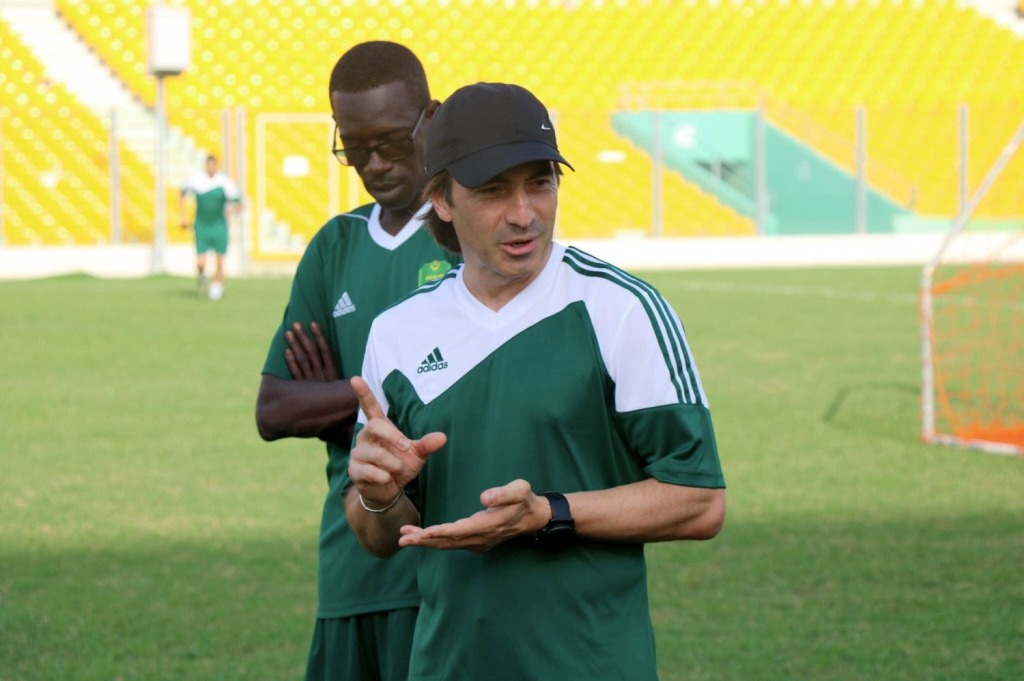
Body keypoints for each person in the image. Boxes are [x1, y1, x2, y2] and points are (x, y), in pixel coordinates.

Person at [345, 82, 727, 680]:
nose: (524, 213)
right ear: (441, 200)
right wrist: (378, 493)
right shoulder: (397, 332)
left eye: (539, 183)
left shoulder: (622, 308)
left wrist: (547, 513)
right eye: (493, 191)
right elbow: (381, 536)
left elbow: (700, 501)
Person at [254, 42, 459, 681]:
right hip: (352, 564)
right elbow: (274, 408)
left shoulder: (474, 236)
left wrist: (344, 397)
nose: (373, 164)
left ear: (432, 118)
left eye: (393, 143)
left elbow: (476, 393)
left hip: (453, 562)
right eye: (354, 146)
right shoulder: (334, 247)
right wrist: (383, 397)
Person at [179, 154, 240, 300]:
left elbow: (238, 201)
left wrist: (232, 212)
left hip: (219, 225)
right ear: (206, 165)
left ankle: (217, 286)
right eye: (209, 165)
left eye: (213, 165)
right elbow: (181, 194)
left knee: (219, 260)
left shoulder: (224, 182)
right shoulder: (196, 180)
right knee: (201, 262)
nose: (211, 168)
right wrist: (182, 216)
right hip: (202, 225)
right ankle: (202, 275)